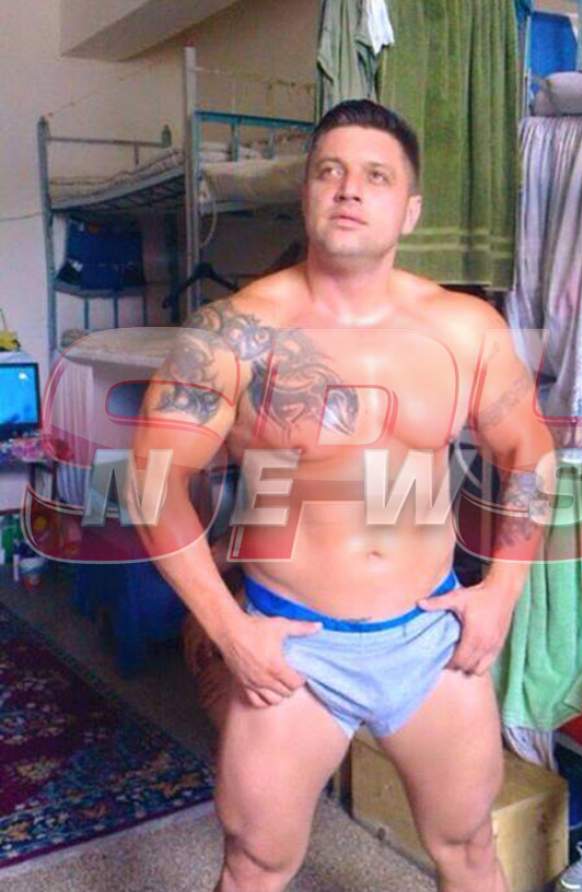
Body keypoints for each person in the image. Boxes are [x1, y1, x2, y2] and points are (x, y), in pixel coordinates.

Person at [133, 100, 554, 892]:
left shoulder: (465, 329)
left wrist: (501, 592)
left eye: (376, 176)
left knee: (469, 848)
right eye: (330, 171)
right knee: (255, 866)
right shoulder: (233, 332)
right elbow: (151, 485)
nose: (350, 188)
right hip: (293, 644)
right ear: (307, 196)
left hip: (429, 638)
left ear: (410, 209)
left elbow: (528, 453)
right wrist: (228, 630)